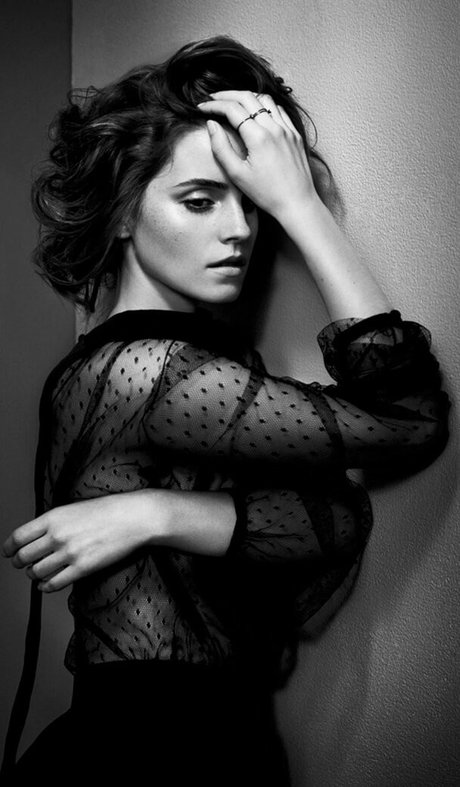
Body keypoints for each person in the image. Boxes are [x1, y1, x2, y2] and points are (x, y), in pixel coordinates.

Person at [1, 35, 449, 786]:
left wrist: (160, 512)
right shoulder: (155, 374)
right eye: (200, 201)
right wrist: (301, 207)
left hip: (183, 744)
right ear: (121, 214)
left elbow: (333, 520)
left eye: (253, 204)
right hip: (156, 754)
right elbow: (408, 419)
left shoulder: (123, 369)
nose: (240, 230)